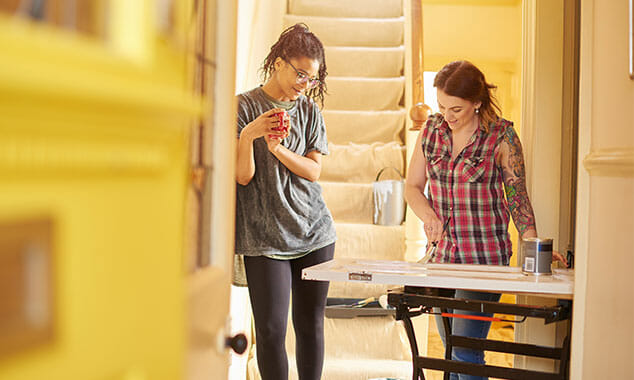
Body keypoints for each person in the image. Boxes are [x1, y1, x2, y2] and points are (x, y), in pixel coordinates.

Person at [404, 60, 566, 380]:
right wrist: (429, 216)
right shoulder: (432, 131)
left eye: (457, 109)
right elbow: (412, 187)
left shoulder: (501, 136)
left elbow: (516, 196)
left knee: (465, 349)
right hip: (442, 259)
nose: (448, 117)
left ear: (476, 102)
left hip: (484, 259)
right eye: (442, 107)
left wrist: (533, 245)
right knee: (452, 349)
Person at [234, 23, 336, 380]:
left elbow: (313, 171)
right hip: (263, 236)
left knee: (310, 325)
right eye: (300, 74)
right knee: (272, 332)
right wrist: (249, 135)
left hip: (314, 232)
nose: (303, 84)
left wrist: (277, 149)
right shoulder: (243, 106)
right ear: (278, 62)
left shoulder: (310, 112)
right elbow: (242, 176)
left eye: (311, 78)